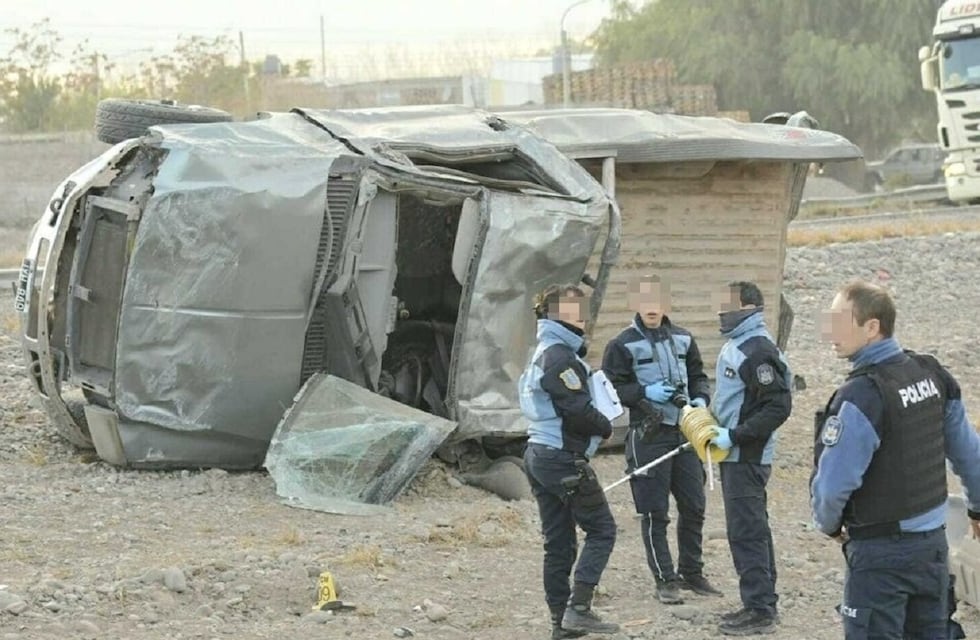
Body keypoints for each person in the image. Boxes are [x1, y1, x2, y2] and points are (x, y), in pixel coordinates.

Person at [810, 280, 980, 639]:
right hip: (932, 548)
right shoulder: (932, 375)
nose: (830, 332)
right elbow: (969, 454)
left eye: (840, 321)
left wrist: (829, 524)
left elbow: (831, 488)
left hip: (879, 554)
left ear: (872, 327)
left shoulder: (861, 397)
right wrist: (977, 509)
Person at [601, 274, 720, 605]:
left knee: (694, 506)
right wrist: (643, 393)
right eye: (645, 301)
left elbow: (698, 375)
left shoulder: (683, 338)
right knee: (655, 512)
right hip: (648, 435)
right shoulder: (620, 345)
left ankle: (692, 573)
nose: (652, 308)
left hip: (684, 433)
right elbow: (610, 389)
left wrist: (700, 398)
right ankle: (665, 579)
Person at [519, 283, 619, 639]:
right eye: (575, 310)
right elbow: (576, 408)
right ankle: (578, 609)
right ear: (556, 314)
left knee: (558, 542)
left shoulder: (546, 350)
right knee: (602, 530)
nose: (583, 316)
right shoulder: (560, 356)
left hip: (538, 454)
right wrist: (605, 426)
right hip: (561, 458)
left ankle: (559, 623)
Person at [709, 281, 792, 636]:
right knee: (751, 528)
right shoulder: (738, 345)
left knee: (747, 531)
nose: (720, 313)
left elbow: (778, 404)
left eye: (727, 306)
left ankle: (759, 610)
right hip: (735, 453)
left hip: (746, 454)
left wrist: (735, 435)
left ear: (747, 307)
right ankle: (760, 601)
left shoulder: (756, 351)